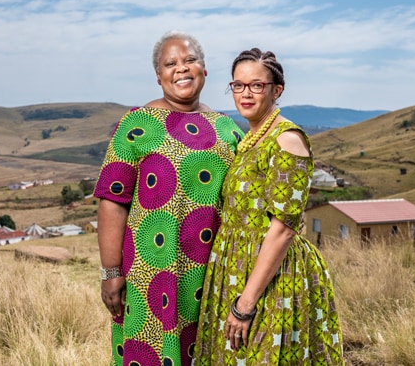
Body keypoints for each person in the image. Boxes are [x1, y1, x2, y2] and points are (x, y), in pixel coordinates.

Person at [93, 30, 244, 366]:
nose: (181, 68)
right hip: (151, 272)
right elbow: (112, 201)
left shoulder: (227, 130)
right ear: (158, 76)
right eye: (170, 63)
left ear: (204, 70)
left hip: (214, 274)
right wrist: (110, 271)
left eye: (190, 60)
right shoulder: (137, 125)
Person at [193, 48, 344, 365]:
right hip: (235, 267)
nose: (245, 94)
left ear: (277, 90)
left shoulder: (286, 139)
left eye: (256, 85)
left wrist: (245, 304)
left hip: (269, 275)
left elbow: (284, 229)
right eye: (238, 85)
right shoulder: (249, 138)